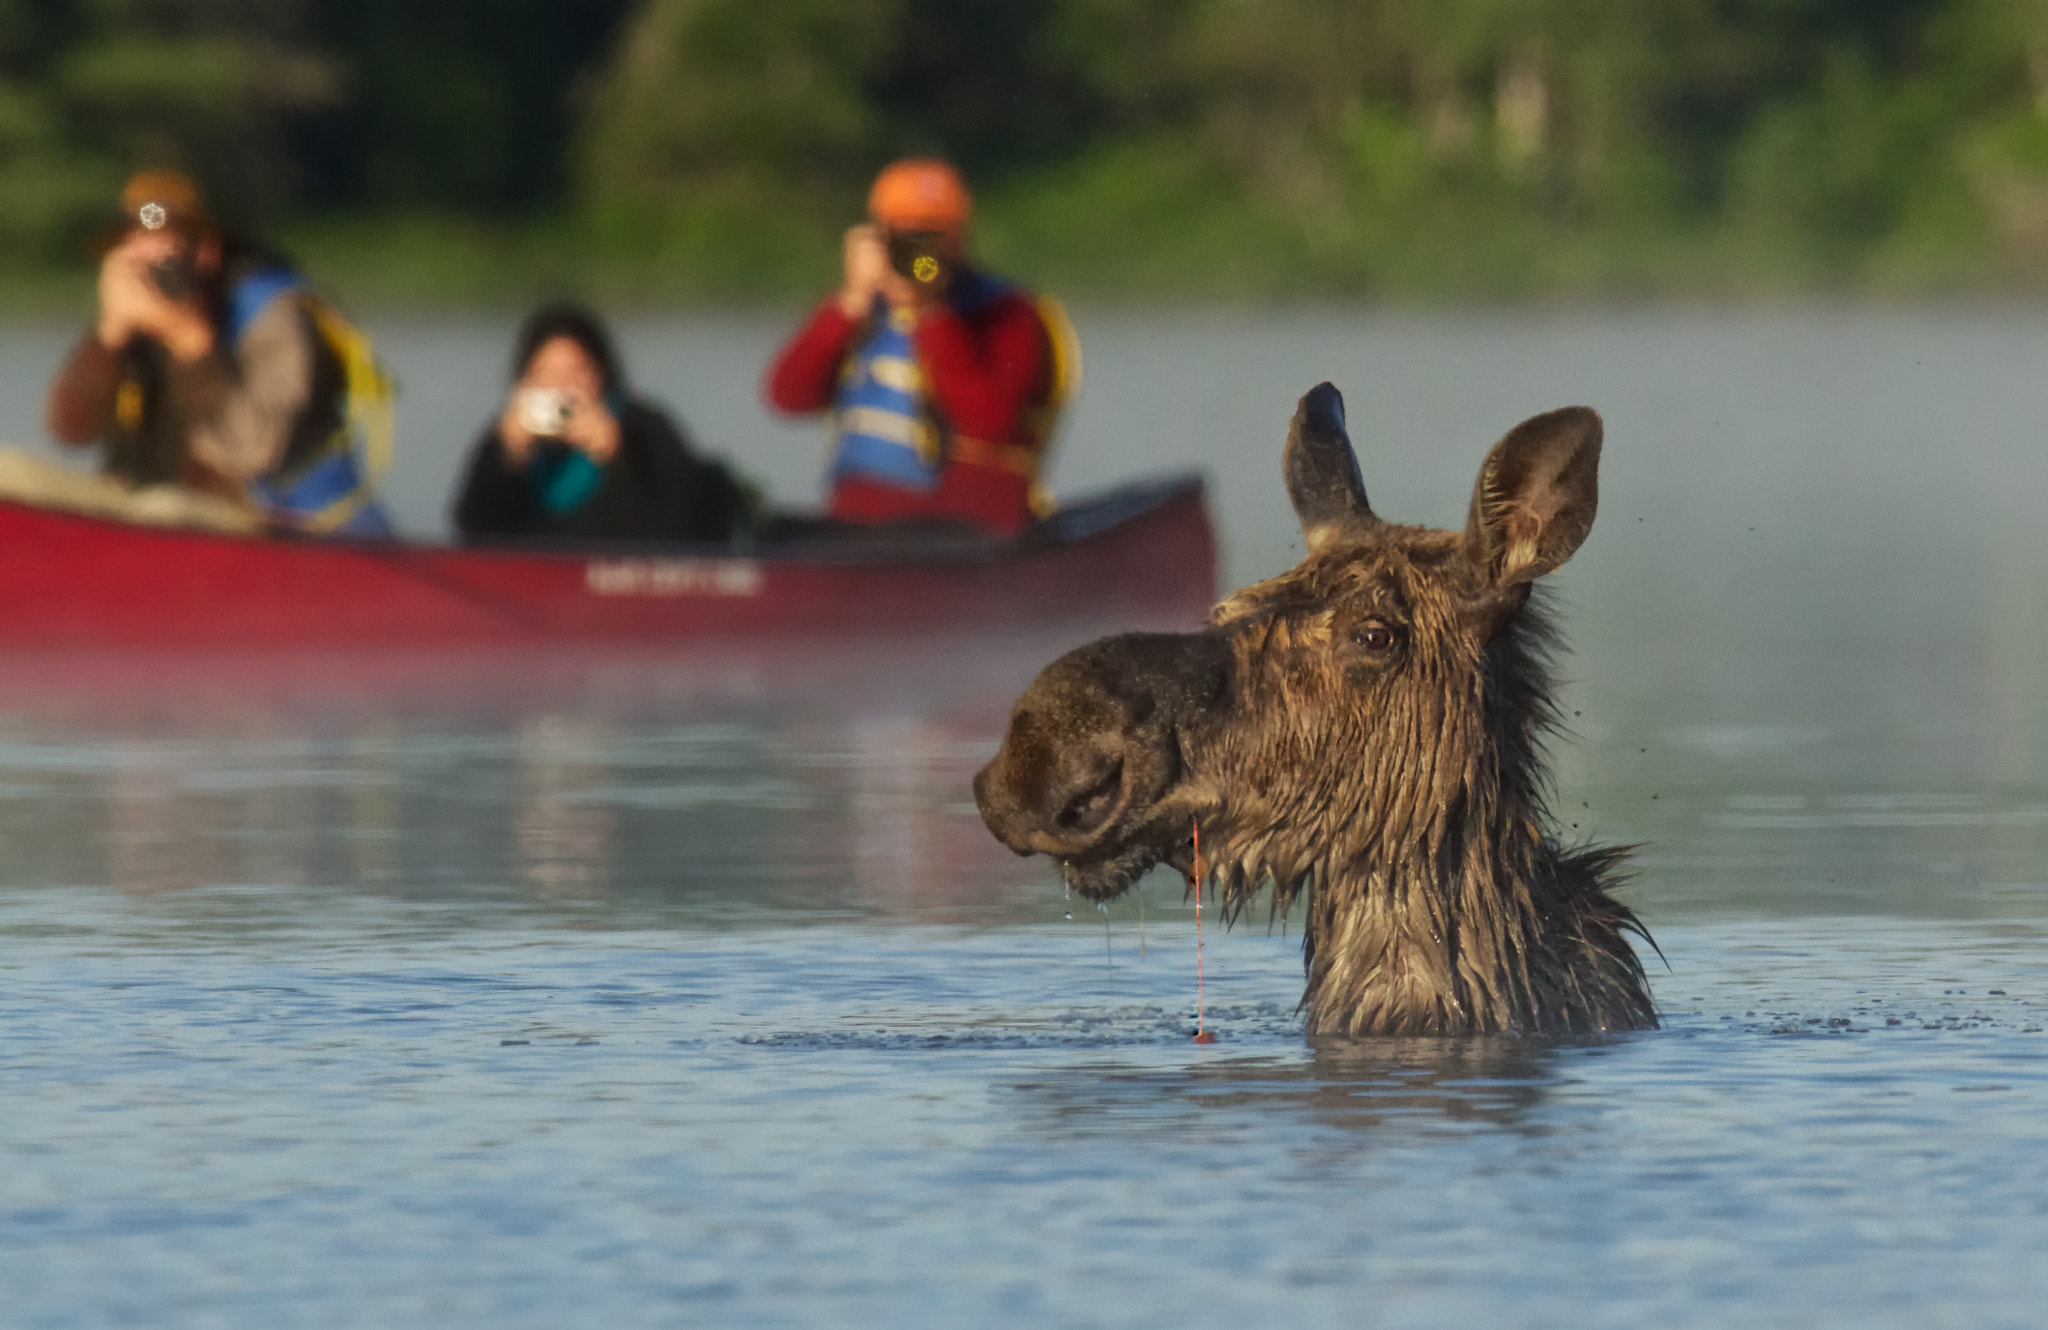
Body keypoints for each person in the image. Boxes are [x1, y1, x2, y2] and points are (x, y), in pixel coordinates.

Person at [42, 170, 394, 536]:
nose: (149, 267)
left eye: (166, 247)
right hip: (156, 516)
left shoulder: (274, 313)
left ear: (207, 251)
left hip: (289, 528)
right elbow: (71, 431)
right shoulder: (131, 317)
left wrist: (191, 343)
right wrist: (106, 339)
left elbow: (251, 450)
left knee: (162, 509)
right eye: (133, 245)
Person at [764, 159, 1077, 538]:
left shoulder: (1007, 314)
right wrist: (850, 303)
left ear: (959, 238)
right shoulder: (862, 312)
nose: (918, 254)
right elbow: (788, 397)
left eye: (932, 235)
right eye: (902, 236)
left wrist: (930, 312)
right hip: (859, 528)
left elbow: (990, 422)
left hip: (970, 534)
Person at [452, 302, 753, 544]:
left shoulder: (645, 429)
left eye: (577, 372)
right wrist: (507, 461)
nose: (561, 389)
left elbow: (675, 533)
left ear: (602, 376)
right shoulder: (505, 437)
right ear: (523, 383)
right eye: (545, 374)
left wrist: (616, 462)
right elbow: (471, 533)